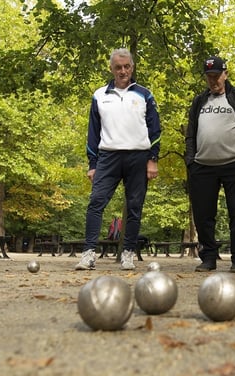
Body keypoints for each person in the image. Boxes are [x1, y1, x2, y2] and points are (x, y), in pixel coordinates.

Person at [75, 48, 161, 271]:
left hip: (138, 156)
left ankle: (128, 254)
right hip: (108, 157)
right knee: (96, 202)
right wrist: (92, 164)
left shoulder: (145, 94)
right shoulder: (99, 95)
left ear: (132, 67)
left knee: (134, 206)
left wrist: (153, 159)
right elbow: (93, 133)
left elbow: (155, 129)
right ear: (111, 69)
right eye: (118, 67)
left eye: (126, 66)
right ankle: (88, 254)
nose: (123, 71)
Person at [185, 56, 235, 273]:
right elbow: (190, 133)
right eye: (209, 77)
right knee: (203, 215)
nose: (213, 80)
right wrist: (190, 159)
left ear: (225, 74)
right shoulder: (200, 101)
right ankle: (208, 257)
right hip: (202, 166)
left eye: (216, 76)